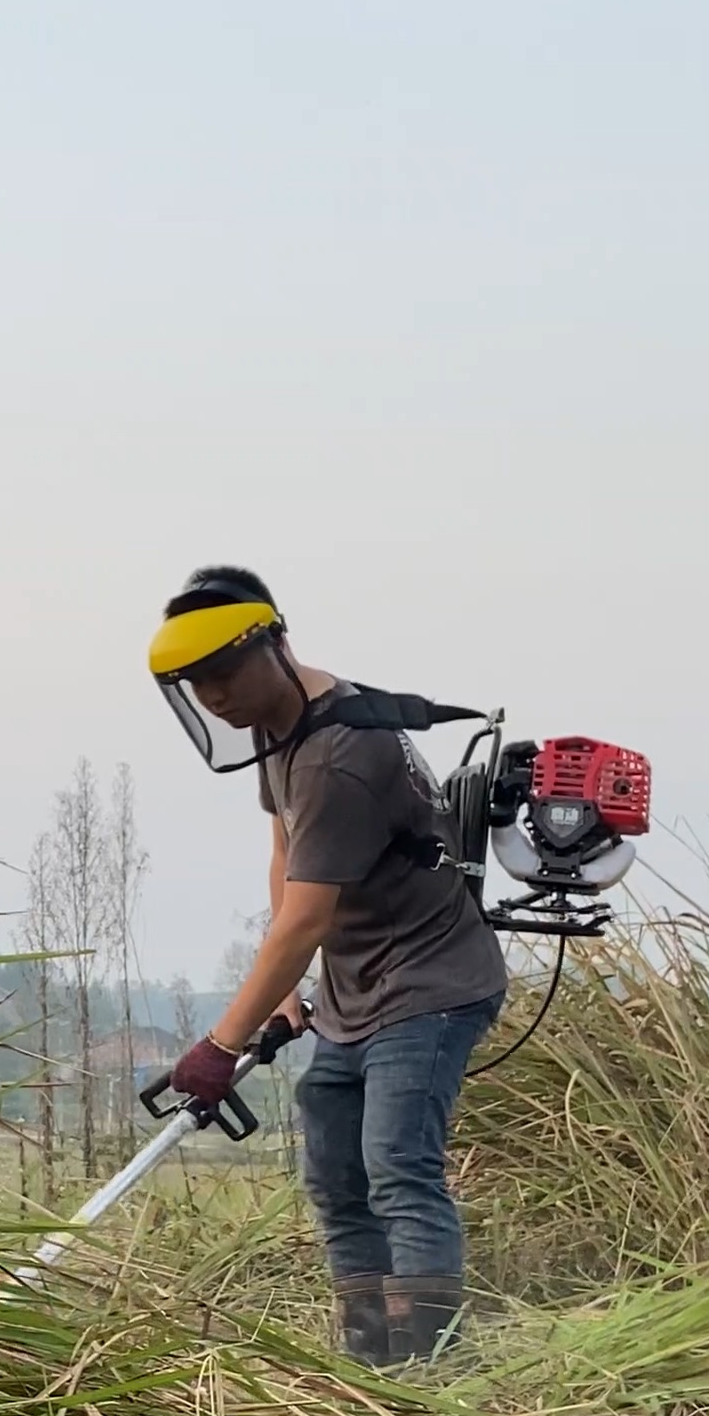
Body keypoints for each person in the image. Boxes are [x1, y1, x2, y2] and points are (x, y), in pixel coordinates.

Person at [149, 567, 508, 1368]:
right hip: (356, 989)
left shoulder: (338, 753)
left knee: (396, 1167)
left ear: (273, 643)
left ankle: (434, 1369)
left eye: (224, 674)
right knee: (337, 1177)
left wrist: (218, 1046)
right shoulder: (282, 732)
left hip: (431, 984)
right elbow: (287, 852)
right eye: (197, 684)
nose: (215, 697)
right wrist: (282, 998)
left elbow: (309, 916)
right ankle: (371, 1363)